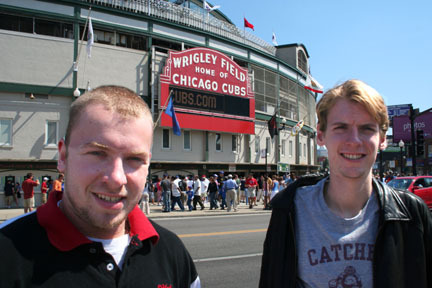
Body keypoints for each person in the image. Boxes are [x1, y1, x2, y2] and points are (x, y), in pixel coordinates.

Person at [0, 86, 200, 287]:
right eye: (97, 153)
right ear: (63, 157)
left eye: (134, 159)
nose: (116, 178)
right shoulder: (6, 251)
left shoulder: (171, 250)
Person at [259, 80, 432, 288]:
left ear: (383, 139)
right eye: (341, 127)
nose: (354, 140)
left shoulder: (412, 214)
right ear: (321, 134)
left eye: (367, 129)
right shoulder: (288, 209)